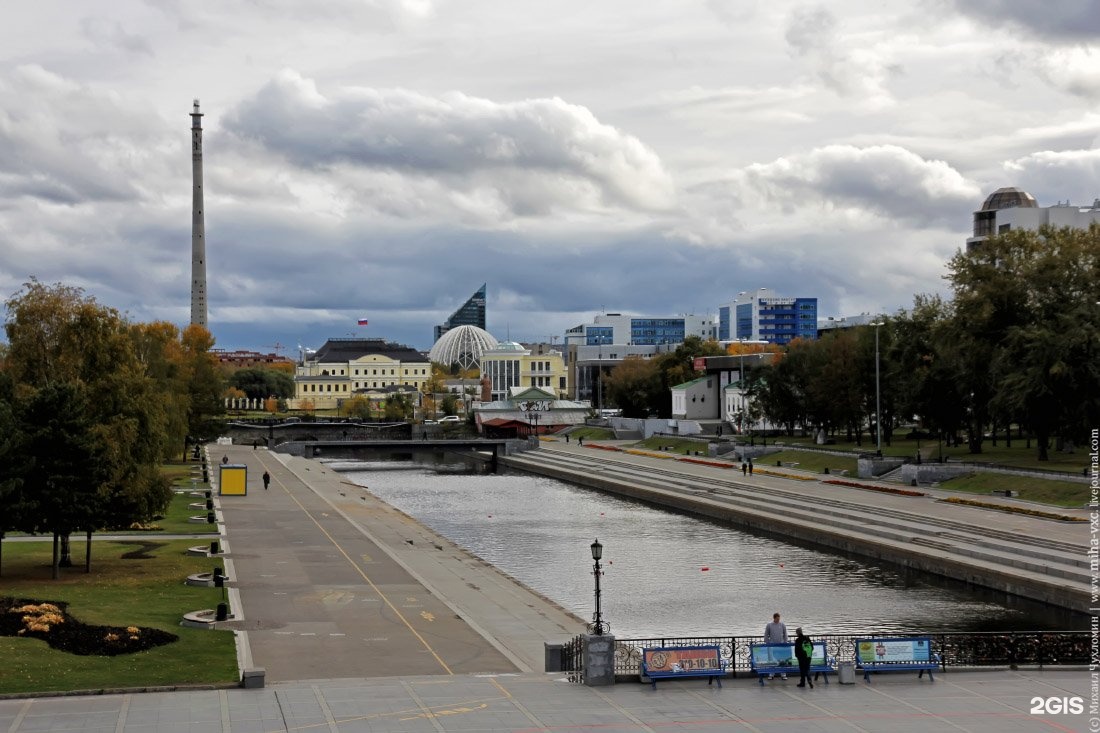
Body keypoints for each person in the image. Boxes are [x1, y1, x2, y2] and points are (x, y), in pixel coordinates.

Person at [764, 612, 788, 680]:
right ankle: (771, 674)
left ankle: (783, 674)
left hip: (781, 644)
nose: (778, 620)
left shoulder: (782, 625)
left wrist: (785, 642)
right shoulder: (769, 625)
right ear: (774, 618)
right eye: (777, 619)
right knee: (772, 660)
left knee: (782, 659)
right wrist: (768, 642)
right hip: (772, 645)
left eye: (779, 619)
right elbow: (766, 634)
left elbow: (785, 634)